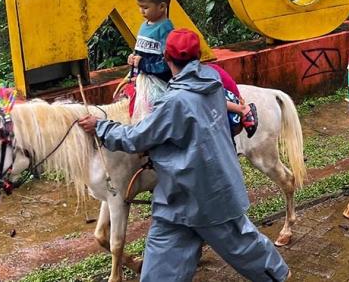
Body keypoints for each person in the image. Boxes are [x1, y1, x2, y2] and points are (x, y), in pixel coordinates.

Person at [78, 29, 289, 282]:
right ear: (197, 56)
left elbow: (135, 138)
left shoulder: (175, 102)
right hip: (175, 200)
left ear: (167, 59)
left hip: (209, 199)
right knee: (160, 271)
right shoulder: (211, 80)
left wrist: (100, 126)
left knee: (247, 250)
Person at [207, 63, 258, 138]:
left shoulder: (201, 73)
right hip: (233, 96)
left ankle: (242, 109)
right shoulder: (210, 68)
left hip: (230, 101)